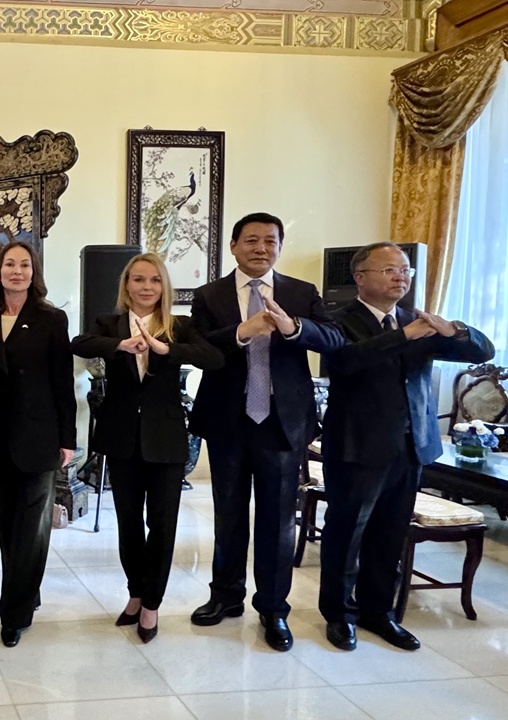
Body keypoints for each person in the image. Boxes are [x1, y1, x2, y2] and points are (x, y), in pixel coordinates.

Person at [319, 242, 493, 652]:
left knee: (390, 534)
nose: (401, 276)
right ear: (360, 277)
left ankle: (379, 612)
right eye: (389, 270)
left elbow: (483, 351)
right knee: (347, 534)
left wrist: (454, 331)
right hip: (357, 447)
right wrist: (403, 336)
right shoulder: (338, 320)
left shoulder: (419, 321)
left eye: (405, 270)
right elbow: (345, 362)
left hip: (411, 444)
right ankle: (341, 615)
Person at [188, 212, 343, 652]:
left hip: (282, 422)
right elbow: (199, 349)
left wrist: (293, 329)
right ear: (234, 246)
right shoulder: (209, 294)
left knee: (277, 521)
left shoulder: (300, 292)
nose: (261, 248)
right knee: (229, 515)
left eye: (270, 241)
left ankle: (273, 609)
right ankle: (226, 596)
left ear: (278, 247)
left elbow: (333, 339)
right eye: (251, 240)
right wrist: (241, 331)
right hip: (228, 421)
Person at [70, 253, 223, 644]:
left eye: (154, 280)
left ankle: (152, 603)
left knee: (163, 523)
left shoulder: (179, 326)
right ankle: (135, 593)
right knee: (128, 524)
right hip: (122, 438)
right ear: (127, 286)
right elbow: (80, 343)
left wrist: (166, 350)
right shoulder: (110, 323)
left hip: (167, 440)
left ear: (164, 286)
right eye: (138, 280)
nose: (147, 287)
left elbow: (214, 357)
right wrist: (122, 344)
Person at [0, 241, 76, 648]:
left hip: (40, 435)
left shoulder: (51, 319)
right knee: (6, 523)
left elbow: (63, 382)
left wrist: (68, 438)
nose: (16, 271)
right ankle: (25, 591)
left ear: (35, 272)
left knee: (32, 527)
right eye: (9, 264)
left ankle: (14, 611)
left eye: (24, 265)